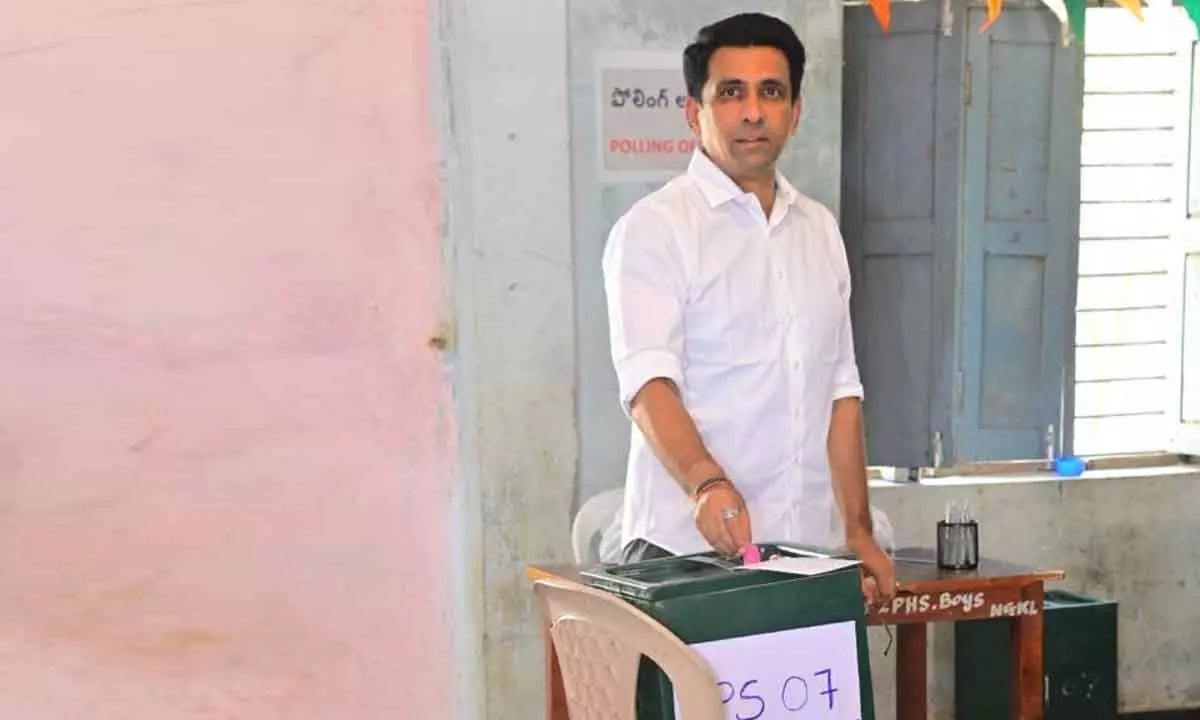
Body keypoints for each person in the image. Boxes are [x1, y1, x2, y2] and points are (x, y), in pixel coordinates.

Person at [601, 12, 896, 603]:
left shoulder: (819, 230)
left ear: (795, 110)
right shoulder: (657, 229)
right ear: (695, 112)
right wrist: (705, 484)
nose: (753, 112)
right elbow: (647, 384)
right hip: (686, 554)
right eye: (730, 93)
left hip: (805, 554)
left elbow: (840, 391)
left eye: (771, 92)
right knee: (694, 701)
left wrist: (859, 531)